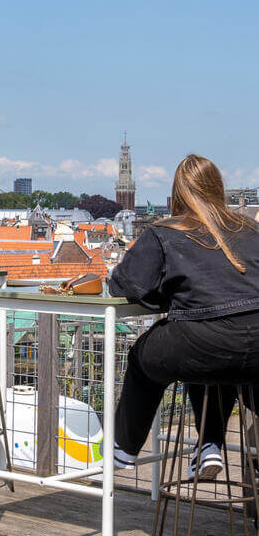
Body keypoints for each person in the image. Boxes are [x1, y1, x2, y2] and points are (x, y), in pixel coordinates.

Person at [108, 153, 259, 478]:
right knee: (216, 357)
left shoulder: (165, 232)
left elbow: (126, 285)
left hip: (204, 342)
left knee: (145, 356)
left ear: (178, 193)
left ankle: (124, 448)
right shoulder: (249, 229)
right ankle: (208, 446)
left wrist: (164, 297)